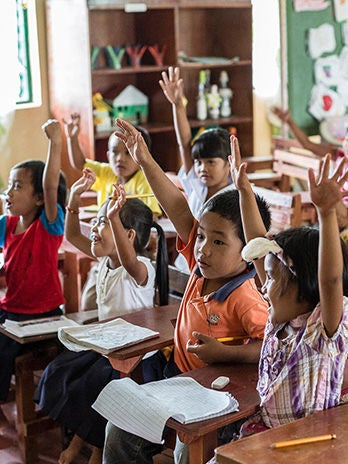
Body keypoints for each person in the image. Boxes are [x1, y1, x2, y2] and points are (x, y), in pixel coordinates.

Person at [101, 119, 271, 464]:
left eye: (218, 241)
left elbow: (267, 346)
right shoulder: (201, 264)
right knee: (118, 429)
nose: (204, 248)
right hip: (179, 382)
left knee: (185, 454)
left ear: (248, 250)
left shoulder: (246, 296)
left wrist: (226, 355)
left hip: (217, 401)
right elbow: (177, 207)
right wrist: (145, 160)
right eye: (203, 237)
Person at [34, 168, 169, 464]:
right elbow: (70, 234)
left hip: (137, 360)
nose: (95, 227)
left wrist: (111, 217)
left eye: (104, 222)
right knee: (62, 373)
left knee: (102, 385)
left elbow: (129, 258)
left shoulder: (140, 269)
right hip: (108, 350)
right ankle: (90, 446)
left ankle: (95, 451)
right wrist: (74, 197)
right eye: (96, 220)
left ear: (128, 235)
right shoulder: (106, 260)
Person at [226, 136, 348, 443]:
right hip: (267, 431)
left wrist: (327, 213)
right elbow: (256, 245)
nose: (263, 286)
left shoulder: (323, 329)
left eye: (271, 279)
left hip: (307, 444)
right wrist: (243, 190)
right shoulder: (278, 317)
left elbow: (331, 280)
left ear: (303, 286)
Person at [0, 119, 67, 402]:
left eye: (18, 186)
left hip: (42, 313)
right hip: (11, 310)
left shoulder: (48, 226)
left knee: (2, 351)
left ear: (39, 198)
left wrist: (55, 142)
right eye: (9, 185)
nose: (9, 192)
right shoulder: (7, 223)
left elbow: (52, 187)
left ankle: (3, 397)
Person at [159, 67, 232, 218]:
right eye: (198, 162)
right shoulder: (198, 185)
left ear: (229, 164)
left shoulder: (234, 197)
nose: (202, 168)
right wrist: (178, 105)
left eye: (211, 162)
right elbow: (185, 143)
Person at [64, 112, 162, 217]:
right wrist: (72, 138)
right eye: (115, 152)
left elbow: (153, 215)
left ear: (142, 158)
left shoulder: (144, 181)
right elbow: (80, 164)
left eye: (128, 153)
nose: (120, 159)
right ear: (108, 155)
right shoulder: (106, 171)